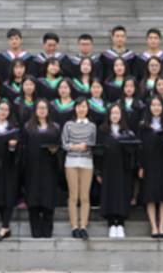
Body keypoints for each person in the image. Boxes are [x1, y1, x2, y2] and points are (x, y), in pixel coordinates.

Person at [97, 103, 140, 238]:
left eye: (117, 113)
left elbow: (134, 152)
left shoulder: (128, 133)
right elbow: (98, 154)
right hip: (107, 169)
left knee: (122, 194)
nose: (115, 116)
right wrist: (98, 172)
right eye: (112, 113)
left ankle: (120, 224)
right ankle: (111, 224)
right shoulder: (102, 132)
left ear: (121, 115)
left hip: (123, 170)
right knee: (109, 194)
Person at [138, 95, 163, 239]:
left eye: (159, 105)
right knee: (150, 195)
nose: (156, 108)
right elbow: (140, 148)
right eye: (153, 105)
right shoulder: (143, 126)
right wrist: (141, 166)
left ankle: (162, 226)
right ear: (149, 107)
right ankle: (153, 226)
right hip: (149, 164)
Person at [23, 99, 61, 238]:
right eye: (39, 108)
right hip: (32, 168)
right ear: (35, 110)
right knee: (33, 197)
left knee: (48, 197)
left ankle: (47, 228)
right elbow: (23, 148)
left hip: (49, 168)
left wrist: (55, 151)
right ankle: (35, 229)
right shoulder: (28, 127)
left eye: (44, 108)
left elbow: (60, 147)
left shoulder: (55, 127)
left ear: (48, 110)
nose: (42, 110)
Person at [61, 97, 97, 240]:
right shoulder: (68, 125)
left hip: (87, 163)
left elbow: (93, 144)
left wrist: (87, 149)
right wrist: (77, 147)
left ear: (88, 108)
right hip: (71, 163)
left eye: (84, 106)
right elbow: (64, 144)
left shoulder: (92, 126)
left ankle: (83, 226)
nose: (81, 109)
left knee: (85, 197)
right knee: (73, 196)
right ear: (74, 108)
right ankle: (74, 226)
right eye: (78, 106)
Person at [0, 100, 21, 242]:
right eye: (1, 108)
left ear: (10, 112)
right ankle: (6, 227)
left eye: (6, 109)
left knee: (8, 195)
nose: (3, 112)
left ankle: (5, 226)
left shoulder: (14, 130)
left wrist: (12, 147)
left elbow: (18, 152)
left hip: (9, 168)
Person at [117, 77, 144, 206]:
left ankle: (134, 196)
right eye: (126, 86)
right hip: (121, 141)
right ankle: (124, 195)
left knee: (135, 171)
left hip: (137, 140)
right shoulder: (118, 105)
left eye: (131, 86)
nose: (129, 89)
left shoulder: (141, 105)